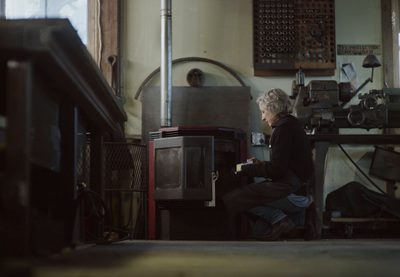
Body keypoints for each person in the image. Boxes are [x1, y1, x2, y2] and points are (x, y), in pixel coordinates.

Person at [223, 88, 314, 240]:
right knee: (259, 231)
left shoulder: (282, 130)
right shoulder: (294, 126)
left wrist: (249, 169)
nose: (263, 118)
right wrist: (260, 164)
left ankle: (283, 219)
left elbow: (276, 170)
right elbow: (284, 165)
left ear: (273, 109)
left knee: (234, 199)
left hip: (291, 193)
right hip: (300, 191)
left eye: (264, 112)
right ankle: (297, 221)